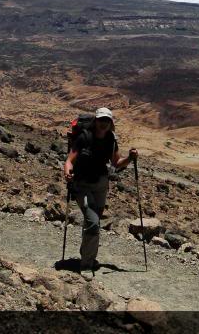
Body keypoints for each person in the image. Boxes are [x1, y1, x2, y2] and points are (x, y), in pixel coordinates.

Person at [63, 107, 137, 278]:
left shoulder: (110, 139)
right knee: (93, 222)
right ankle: (87, 265)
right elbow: (69, 160)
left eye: (107, 120)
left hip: (101, 185)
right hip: (82, 185)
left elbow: (117, 163)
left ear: (110, 123)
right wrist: (67, 171)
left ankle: (86, 253)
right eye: (101, 119)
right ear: (95, 120)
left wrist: (130, 158)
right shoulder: (84, 137)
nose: (103, 123)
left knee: (92, 223)